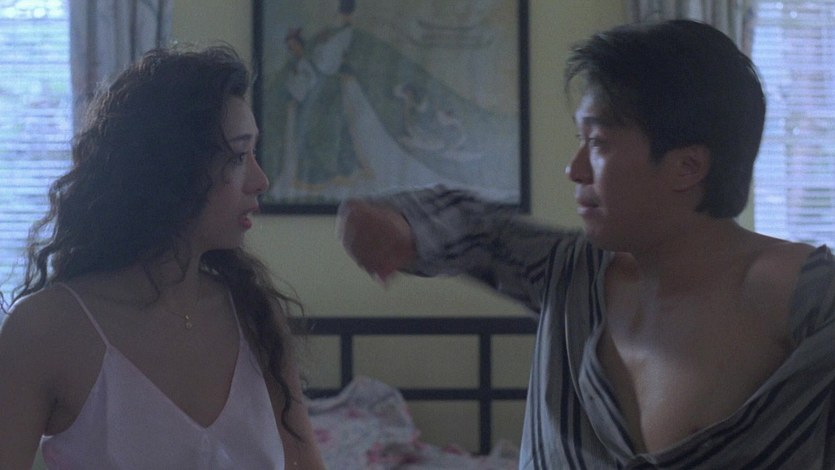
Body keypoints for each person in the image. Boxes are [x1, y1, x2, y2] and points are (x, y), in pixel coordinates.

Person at [337, 20, 835, 469]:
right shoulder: (570, 275)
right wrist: (390, 224)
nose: (574, 169)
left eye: (597, 143)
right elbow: (477, 229)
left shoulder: (807, 301)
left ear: (687, 167)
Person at [0, 45, 325, 469]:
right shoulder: (44, 329)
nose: (260, 180)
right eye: (238, 156)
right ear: (171, 167)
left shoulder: (254, 315)